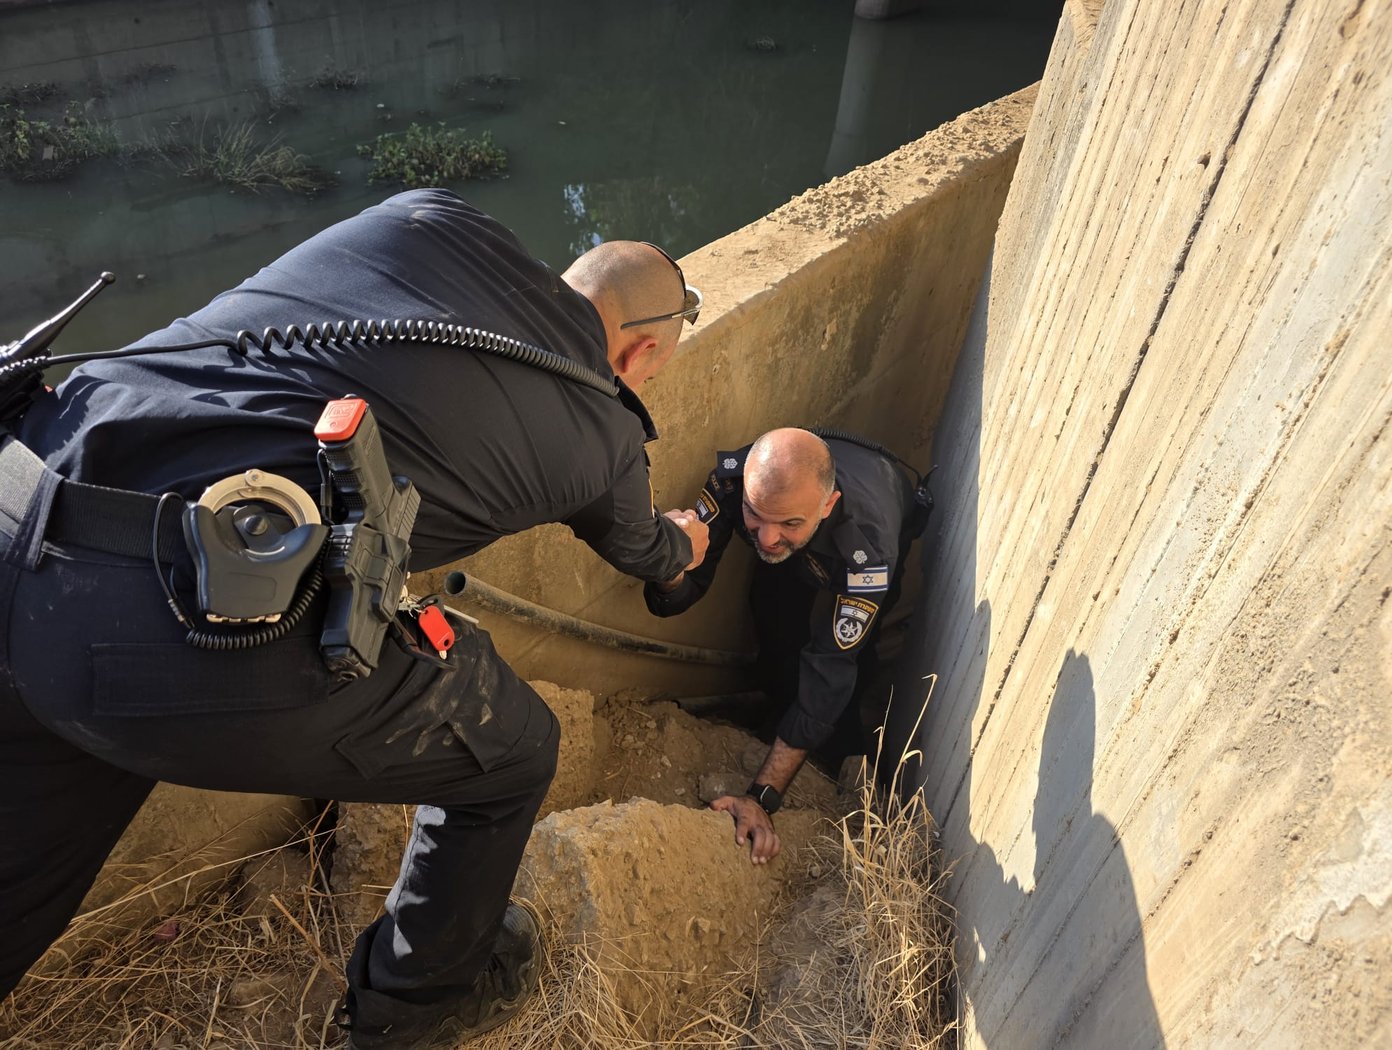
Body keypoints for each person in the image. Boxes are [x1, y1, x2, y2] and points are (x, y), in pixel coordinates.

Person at [0, 188, 710, 1048]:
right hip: (170, 622)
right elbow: (646, 550)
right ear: (637, 354)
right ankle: (410, 1011)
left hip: (24, 497)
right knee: (517, 750)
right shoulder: (600, 434)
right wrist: (688, 540)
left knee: (31, 854)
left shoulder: (425, 215)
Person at [644, 427, 920, 863]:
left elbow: (832, 664)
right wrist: (670, 560)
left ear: (826, 506)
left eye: (788, 522)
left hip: (874, 512)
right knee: (772, 611)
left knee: (853, 658)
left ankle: (840, 749)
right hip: (804, 553)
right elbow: (681, 592)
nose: (767, 537)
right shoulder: (732, 481)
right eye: (755, 515)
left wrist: (763, 795)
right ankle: (776, 707)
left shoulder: (869, 546)